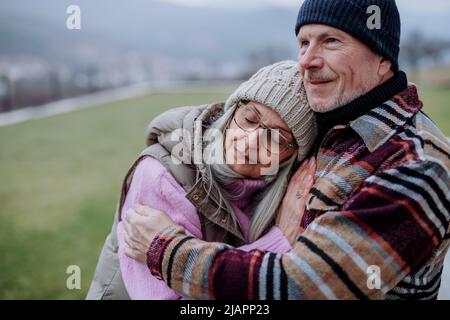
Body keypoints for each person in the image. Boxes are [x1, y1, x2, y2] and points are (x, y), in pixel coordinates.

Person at [124, 0, 450, 300]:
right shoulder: (339, 128)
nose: (307, 61)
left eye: (331, 41)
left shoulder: (414, 164)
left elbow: (303, 287)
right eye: (304, 43)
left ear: (382, 59)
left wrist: (167, 250)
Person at [86, 61, 318, 299]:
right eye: (249, 119)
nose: (249, 142)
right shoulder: (163, 176)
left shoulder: (287, 195)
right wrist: (278, 242)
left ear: (292, 157)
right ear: (231, 113)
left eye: (276, 139)